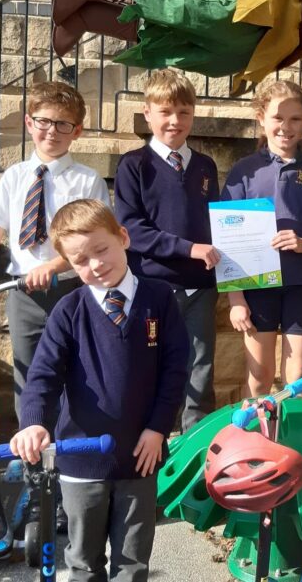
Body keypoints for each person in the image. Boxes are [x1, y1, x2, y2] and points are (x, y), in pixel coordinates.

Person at [10, 199, 189, 582]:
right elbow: (42, 374)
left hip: (140, 455)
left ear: (123, 238)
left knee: (133, 562)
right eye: (80, 260)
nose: (95, 265)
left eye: (101, 250)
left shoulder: (159, 300)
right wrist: (34, 422)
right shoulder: (68, 311)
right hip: (81, 460)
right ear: (69, 265)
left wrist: (159, 428)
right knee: (83, 561)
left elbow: (175, 371)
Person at [0, 81, 110, 419]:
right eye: (43, 121)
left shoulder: (87, 181)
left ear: (77, 131)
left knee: (77, 370)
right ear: (29, 123)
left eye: (63, 125)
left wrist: (53, 267)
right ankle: (31, 456)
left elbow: (93, 240)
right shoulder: (15, 177)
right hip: (22, 294)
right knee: (27, 374)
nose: (52, 132)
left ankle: (68, 456)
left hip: (72, 290)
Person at [114, 69, 220, 431]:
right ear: (148, 114)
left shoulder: (206, 166)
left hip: (201, 288)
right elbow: (132, 230)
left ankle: (197, 442)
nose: (175, 121)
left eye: (184, 112)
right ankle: (155, 439)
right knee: (154, 363)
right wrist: (189, 249)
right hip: (154, 286)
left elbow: (215, 224)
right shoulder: (133, 165)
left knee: (201, 367)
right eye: (165, 112)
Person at [222, 80, 302, 396]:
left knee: (297, 381)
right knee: (259, 378)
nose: (286, 127)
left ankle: (290, 444)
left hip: (301, 286)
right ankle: (255, 443)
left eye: (295, 119)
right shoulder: (244, 171)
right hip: (257, 288)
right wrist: (236, 300)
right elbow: (227, 241)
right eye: (277, 118)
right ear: (262, 118)